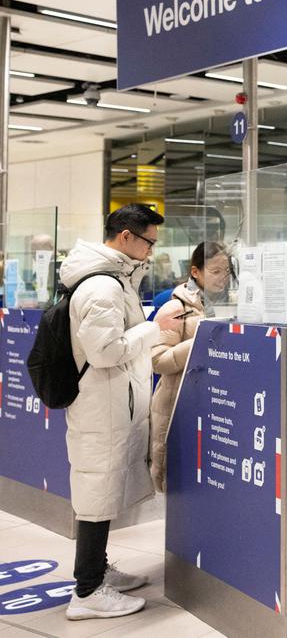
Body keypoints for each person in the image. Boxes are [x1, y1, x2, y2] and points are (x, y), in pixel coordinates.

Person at [60, 204, 184, 621]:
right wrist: (156, 324)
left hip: (111, 404)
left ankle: (96, 572)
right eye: (149, 241)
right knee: (97, 493)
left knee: (105, 489)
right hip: (100, 407)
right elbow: (105, 351)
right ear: (127, 237)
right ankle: (87, 592)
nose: (152, 251)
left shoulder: (114, 281)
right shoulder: (102, 288)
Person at [149, 241, 233, 493]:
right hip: (179, 403)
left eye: (226, 271)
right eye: (215, 272)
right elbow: (158, 360)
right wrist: (199, 342)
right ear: (195, 272)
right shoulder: (176, 307)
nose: (223, 278)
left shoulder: (237, 303)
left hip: (218, 404)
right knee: (177, 480)